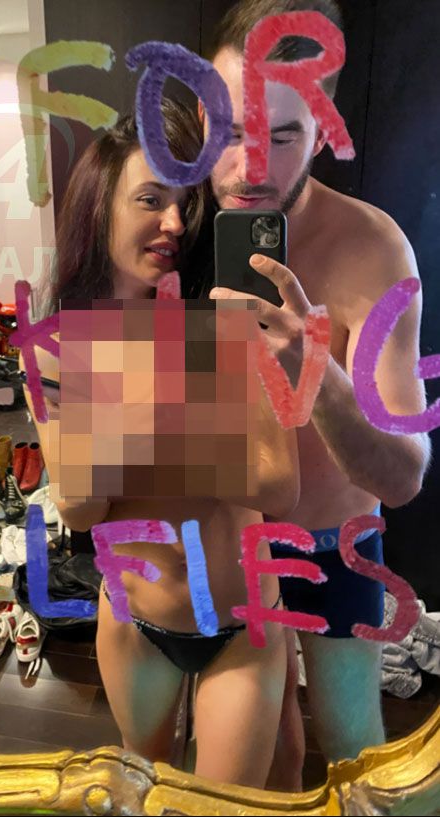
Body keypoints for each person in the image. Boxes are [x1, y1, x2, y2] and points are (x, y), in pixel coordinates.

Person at [22, 100, 301, 786]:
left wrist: (124, 425)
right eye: (150, 199)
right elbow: (81, 507)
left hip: (242, 623)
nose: (174, 222)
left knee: (223, 803)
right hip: (134, 623)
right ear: (100, 208)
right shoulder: (55, 348)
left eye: (184, 204)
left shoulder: (226, 323)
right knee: (144, 790)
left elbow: (278, 485)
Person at [204, 0, 431, 789]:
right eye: (229, 131)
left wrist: (316, 369)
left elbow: (403, 475)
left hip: (332, 543)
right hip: (219, 539)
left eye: (281, 136)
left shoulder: (372, 248)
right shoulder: (166, 223)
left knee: (354, 758)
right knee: (258, 760)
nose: (249, 168)